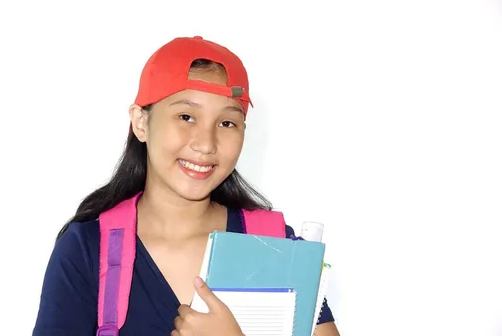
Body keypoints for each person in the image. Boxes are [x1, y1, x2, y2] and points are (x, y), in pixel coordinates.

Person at [32, 36, 340, 336]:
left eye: (227, 123)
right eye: (186, 116)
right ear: (141, 122)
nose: (206, 144)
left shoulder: (274, 245)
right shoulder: (87, 249)